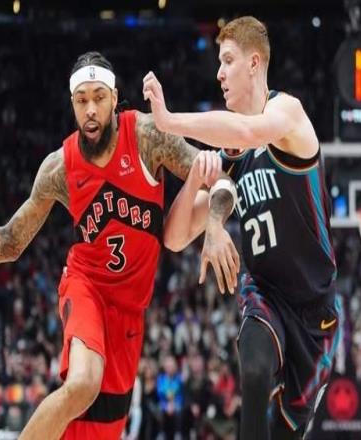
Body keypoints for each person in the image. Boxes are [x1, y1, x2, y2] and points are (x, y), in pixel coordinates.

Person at [0, 51, 237, 439]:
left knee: (99, 429)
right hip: (86, 286)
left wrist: (214, 224)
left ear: (114, 98)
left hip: (131, 311)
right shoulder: (60, 167)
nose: (90, 109)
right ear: (72, 104)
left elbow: (221, 180)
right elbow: (11, 240)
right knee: (82, 384)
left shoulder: (148, 136)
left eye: (99, 97)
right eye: (81, 100)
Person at [144, 16, 342, 440]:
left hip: (316, 310)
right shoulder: (232, 153)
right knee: (252, 370)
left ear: (254, 63)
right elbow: (175, 238)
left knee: (285, 431)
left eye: (228, 60)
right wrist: (196, 181)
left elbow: (250, 130)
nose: (219, 73)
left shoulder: (287, 113)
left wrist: (169, 121)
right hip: (265, 293)